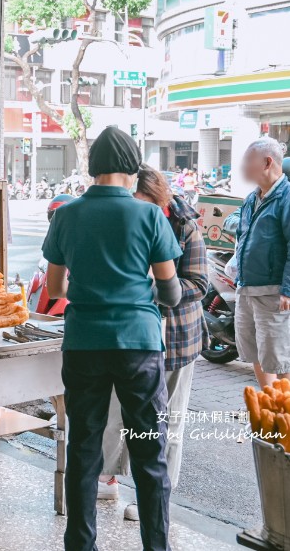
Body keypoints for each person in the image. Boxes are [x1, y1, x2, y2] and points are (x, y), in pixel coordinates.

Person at [42, 126, 183, 551]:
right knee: (148, 449)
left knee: (84, 446)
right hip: (139, 345)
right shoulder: (150, 216)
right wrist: (138, 287)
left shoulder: (66, 214)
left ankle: (80, 544)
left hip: (83, 342)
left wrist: (92, 286)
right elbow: (172, 293)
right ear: (131, 169)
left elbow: (55, 289)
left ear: (94, 168)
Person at [97, 166, 209, 521]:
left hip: (176, 338)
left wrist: (156, 286)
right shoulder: (123, 221)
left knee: (168, 422)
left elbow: (199, 284)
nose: (136, 211)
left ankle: (159, 497)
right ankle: (108, 477)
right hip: (129, 334)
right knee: (116, 412)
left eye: (143, 204)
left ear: (160, 202)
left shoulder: (184, 227)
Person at [225, 138, 290, 390]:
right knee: (256, 352)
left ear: (267, 162)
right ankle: (269, 406)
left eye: (247, 161)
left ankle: (288, 412)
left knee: (282, 358)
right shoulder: (252, 198)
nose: (242, 166)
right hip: (248, 288)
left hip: (277, 293)